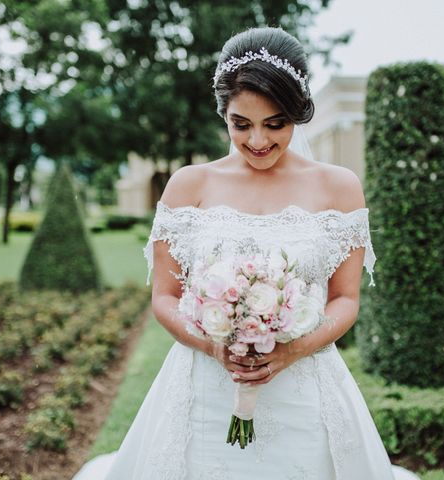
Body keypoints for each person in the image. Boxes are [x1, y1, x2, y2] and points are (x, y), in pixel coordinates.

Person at [73, 26, 419, 480]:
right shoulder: (188, 186)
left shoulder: (339, 187)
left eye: (275, 124)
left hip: (305, 392)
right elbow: (164, 297)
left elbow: (345, 300)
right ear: (224, 115)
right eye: (242, 124)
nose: (258, 141)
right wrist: (214, 346)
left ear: (298, 114)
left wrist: (290, 351)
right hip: (204, 390)